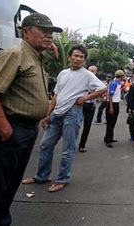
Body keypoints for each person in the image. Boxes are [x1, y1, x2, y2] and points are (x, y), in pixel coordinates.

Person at [0, 13, 63, 225]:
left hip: (26, 131)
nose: (49, 36)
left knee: (7, 189)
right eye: (44, 31)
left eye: (51, 33)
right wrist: (6, 131)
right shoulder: (15, 54)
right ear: (26, 32)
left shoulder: (34, 57)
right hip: (10, 130)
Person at [22, 45, 106, 193]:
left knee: (68, 150)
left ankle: (62, 179)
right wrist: (48, 114)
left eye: (81, 57)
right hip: (57, 113)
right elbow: (56, 95)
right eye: (76, 55)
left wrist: (85, 98)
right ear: (70, 57)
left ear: (84, 60)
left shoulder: (87, 75)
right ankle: (42, 176)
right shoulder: (63, 73)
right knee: (45, 145)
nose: (78, 59)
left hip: (73, 113)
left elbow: (103, 88)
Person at [78, 65, 100, 152]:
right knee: (75, 125)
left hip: (91, 106)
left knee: (87, 126)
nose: (91, 72)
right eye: (90, 70)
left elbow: (101, 91)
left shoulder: (97, 81)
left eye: (93, 71)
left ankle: (82, 145)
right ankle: (71, 144)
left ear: (96, 72)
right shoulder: (81, 79)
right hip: (81, 104)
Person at [104, 70, 125, 147]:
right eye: (123, 76)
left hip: (116, 104)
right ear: (121, 76)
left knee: (113, 122)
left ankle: (108, 137)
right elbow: (110, 95)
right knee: (110, 123)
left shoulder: (118, 83)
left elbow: (116, 93)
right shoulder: (114, 83)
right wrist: (111, 107)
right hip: (112, 104)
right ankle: (108, 140)